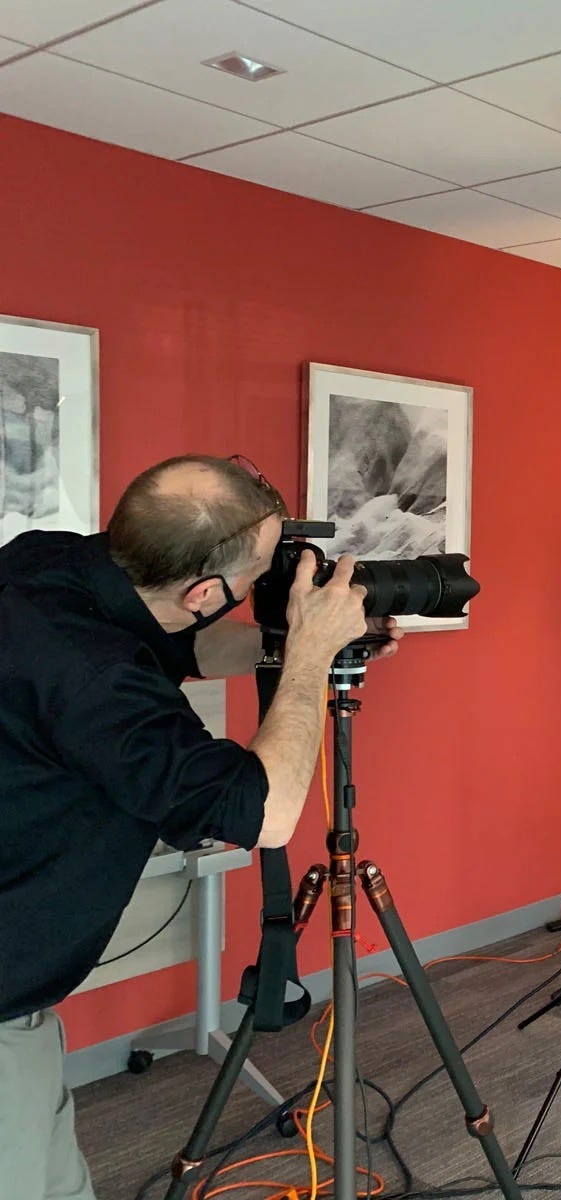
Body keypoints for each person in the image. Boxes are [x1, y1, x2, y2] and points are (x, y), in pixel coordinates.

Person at [0, 454, 399, 1200]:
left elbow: (181, 642)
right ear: (208, 591)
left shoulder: (51, 564)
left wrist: (289, 643)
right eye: (253, 584)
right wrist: (311, 655)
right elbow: (271, 813)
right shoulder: (101, 682)